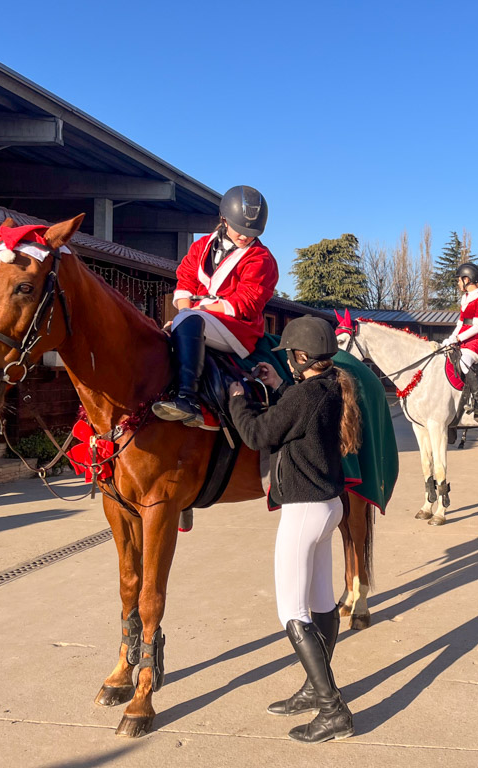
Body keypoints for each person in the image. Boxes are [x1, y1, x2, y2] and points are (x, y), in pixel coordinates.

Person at [228, 317, 360, 744]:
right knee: (321, 603)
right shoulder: (331, 386)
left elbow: (256, 433)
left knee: (291, 612)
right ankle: (313, 689)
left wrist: (236, 399)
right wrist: (281, 383)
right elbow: (299, 413)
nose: (285, 359)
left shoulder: (306, 394)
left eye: (288, 355)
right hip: (328, 507)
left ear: (301, 357)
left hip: (304, 510)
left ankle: (331, 709)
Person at [153, 185, 278, 428]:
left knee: (188, 321)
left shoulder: (261, 259)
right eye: (240, 229)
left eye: (251, 232)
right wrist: (186, 312)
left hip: (238, 327)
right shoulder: (200, 247)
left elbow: (247, 303)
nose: (245, 236)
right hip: (199, 319)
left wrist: (197, 313)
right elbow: (185, 280)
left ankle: (187, 399)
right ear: (224, 219)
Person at [441, 263, 478, 418]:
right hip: (463, 338)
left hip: (476, 340)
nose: (458, 283)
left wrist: (458, 338)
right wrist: (451, 338)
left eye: (459, 280)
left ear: (467, 279)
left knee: (464, 362)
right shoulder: (465, 298)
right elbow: (460, 323)